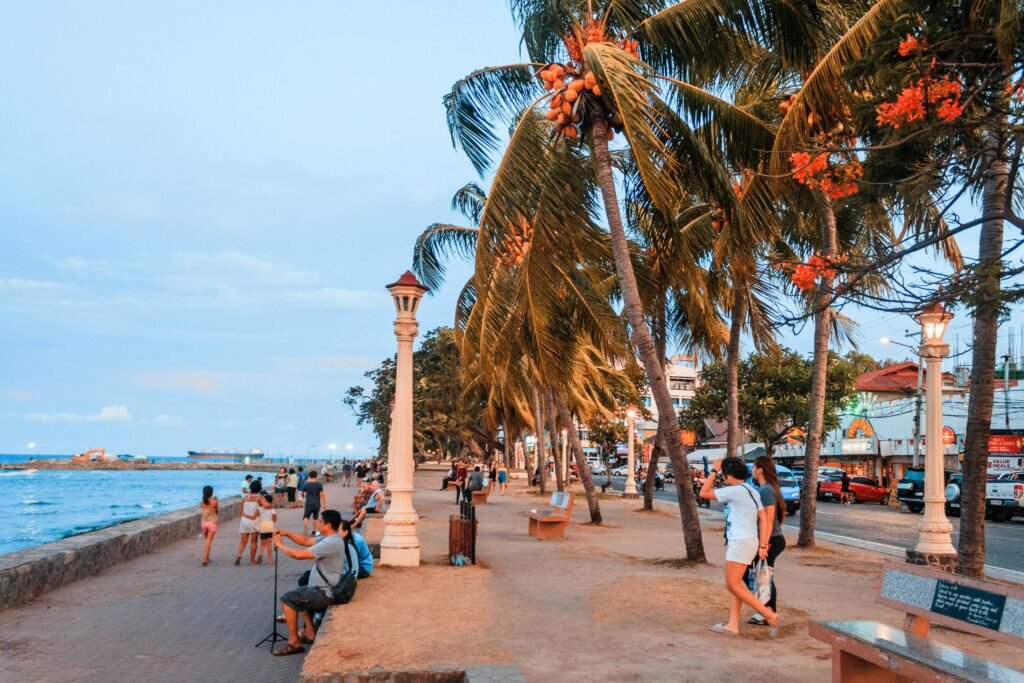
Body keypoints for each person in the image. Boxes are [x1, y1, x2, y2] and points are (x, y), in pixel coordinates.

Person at [700, 457, 779, 637]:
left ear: (727, 475)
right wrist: (763, 545)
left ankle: (769, 614)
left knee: (732, 585)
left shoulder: (734, 491)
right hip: (749, 541)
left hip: (740, 542)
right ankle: (732, 624)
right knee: (737, 585)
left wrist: (713, 471)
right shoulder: (752, 490)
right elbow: (764, 518)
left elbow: (704, 493)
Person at [272, 510, 358, 656]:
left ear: (328, 525)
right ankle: (310, 634)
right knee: (300, 597)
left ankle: (294, 643)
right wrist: (287, 533)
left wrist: (280, 545)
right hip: (321, 588)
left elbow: (300, 555)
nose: (317, 523)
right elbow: (305, 541)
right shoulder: (331, 538)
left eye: (321, 521)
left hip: (324, 592)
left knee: (287, 600)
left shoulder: (331, 542)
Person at [746, 456, 787, 626]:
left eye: (754, 467)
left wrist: (763, 544)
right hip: (771, 539)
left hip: (771, 539)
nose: (752, 470)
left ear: (760, 469)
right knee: (762, 576)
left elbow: (768, 519)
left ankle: (767, 612)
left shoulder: (766, 490)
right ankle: (766, 611)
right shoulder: (766, 488)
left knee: (760, 576)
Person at [236, 480, 270, 565]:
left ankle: (239, 556)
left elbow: (240, 512)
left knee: (243, 541)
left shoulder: (244, 498)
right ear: (259, 488)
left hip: (244, 521)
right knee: (253, 541)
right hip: (254, 521)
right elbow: (267, 505)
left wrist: (241, 520)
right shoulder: (259, 498)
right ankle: (251, 560)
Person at [302, 470, 326, 534]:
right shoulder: (319, 485)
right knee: (316, 518)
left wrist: (303, 497)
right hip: (317, 503)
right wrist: (324, 504)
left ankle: (306, 526)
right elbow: (322, 495)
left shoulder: (306, 484)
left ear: (309, 476)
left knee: (306, 517)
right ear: (316, 476)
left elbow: (302, 493)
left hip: (308, 503)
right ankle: (314, 531)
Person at [257, 491, 277, 565]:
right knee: (269, 544)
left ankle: (260, 555)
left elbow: (257, 516)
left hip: (262, 527)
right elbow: (274, 520)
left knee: (262, 544)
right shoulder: (272, 509)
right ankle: (270, 560)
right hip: (270, 527)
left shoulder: (259, 509)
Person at [200, 485, 218, 566]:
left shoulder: (202, 502)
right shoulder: (214, 502)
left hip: (204, 524)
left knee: (207, 541)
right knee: (209, 541)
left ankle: (207, 557)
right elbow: (217, 512)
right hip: (212, 523)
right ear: (211, 493)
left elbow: (205, 510)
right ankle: (205, 559)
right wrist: (216, 500)